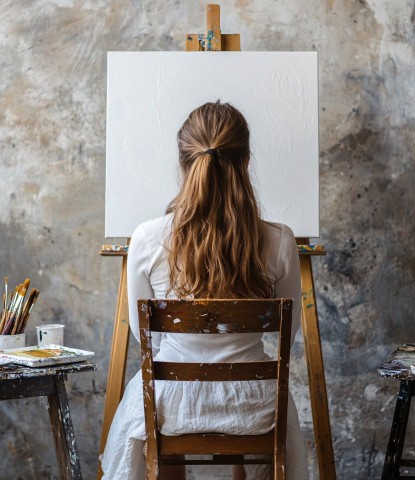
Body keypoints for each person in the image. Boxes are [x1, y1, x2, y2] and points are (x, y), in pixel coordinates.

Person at [101, 101, 308, 480]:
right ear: (245, 162)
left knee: (144, 398)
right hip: (256, 401)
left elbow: (141, 333)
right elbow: (287, 333)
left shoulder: (147, 238)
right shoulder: (280, 241)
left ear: (184, 162)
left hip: (172, 399)